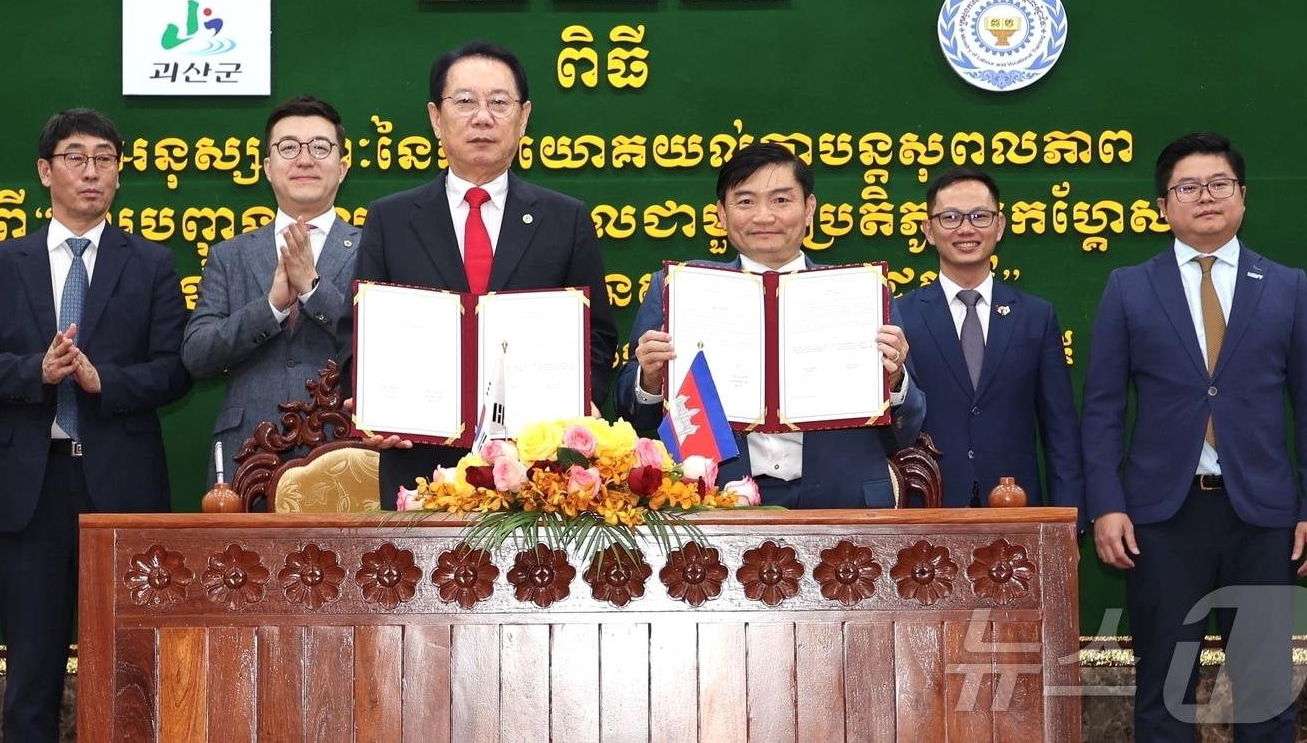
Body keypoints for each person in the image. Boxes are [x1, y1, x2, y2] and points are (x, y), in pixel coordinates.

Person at [1082, 132, 1307, 739]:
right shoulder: (1128, 287)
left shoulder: (1286, 285)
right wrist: (1107, 505)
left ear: (1243, 197)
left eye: (1219, 184)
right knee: (1165, 695)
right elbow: (1101, 410)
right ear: (1163, 205)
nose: (1205, 197)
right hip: (1161, 521)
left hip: (1264, 518)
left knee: (1265, 695)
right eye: (1187, 187)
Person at [0, 109, 191, 742]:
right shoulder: (2, 263)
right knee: (31, 672)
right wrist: (38, 370)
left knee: (130, 666)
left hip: (123, 487)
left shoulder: (152, 264)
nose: (92, 171)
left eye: (105, 159)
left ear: (118, 173)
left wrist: (101, 381)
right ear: (44, 171)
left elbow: (175, 371)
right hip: (33, 488)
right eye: (76, 157)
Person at [339, 41, 618, 508]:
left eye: (499, 103)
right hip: (419, 464)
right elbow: (358, 336)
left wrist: (574, 414)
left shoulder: (565, 219)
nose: (482, 117)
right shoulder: (390, 220)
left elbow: (598, 338)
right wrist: (372, 409)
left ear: (524, 117)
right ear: (435, 117)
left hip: (538, 472)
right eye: (465, 101)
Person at [615, 142, 926, 508]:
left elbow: (910, 425)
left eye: (781, 200)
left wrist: (893, 382)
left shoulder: (863, 293)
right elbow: (632, 413)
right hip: (715, 499)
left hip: (843, 501)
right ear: (721, 214)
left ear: (809, 209)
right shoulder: (678, 291)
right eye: (746, 201)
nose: (764, 216)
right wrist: (650, 379)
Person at [182, 95, 358, 486]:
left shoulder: (373, 247)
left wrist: (312, 289)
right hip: (245, 454)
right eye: (289, 147)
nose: (305, 159)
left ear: (343, 167)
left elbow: (383, 343)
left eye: (320, 147)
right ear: (267, 167)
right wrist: (271, 307)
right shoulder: (230, 255)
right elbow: (197, 355)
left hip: (343, 451)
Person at [897, 166, 1082, 511]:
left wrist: (1070, 520)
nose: (966, 228)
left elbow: (1061, 432)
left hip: (1016, 509)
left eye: (980, 216)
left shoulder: (1036, 317)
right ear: (928, 230)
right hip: (926, 510)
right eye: (950, 217)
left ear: (1000, 226)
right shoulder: (900, 316)